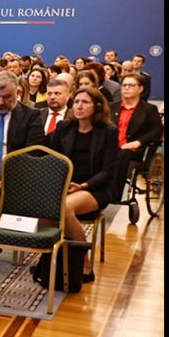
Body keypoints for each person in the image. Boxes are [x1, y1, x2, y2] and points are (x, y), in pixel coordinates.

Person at [37, 86, 120, 286]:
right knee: (45, 208)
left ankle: (84, 263)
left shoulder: (108, 131)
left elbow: (108, 170)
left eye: (85, 102)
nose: (79, 106)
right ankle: (48, 263)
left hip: (94, 188)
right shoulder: (65, 127)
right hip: (65, 185)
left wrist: (83, 185)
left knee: (64, 208)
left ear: (97, 106)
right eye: (76, 102)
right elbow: (53, 159)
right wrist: (59, 184)